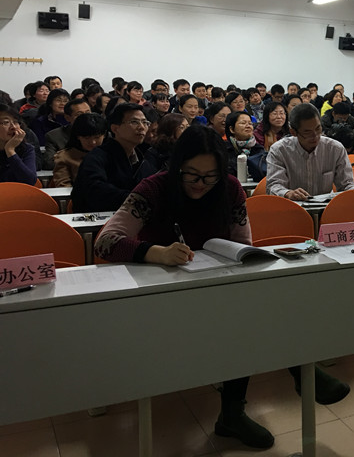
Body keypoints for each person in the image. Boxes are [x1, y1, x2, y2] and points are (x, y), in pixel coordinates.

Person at [93, 126, 275, 449]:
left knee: (248, 319)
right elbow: (105, 242)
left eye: (210, 176)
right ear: (177, 165)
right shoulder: (154, 188)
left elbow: (243, 243)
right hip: (162, 295)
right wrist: (156, 252)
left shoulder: (230, 188)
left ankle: (234, 412)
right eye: (191, 174)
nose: (200, 184)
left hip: (213, 290)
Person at [266, 103, 354, 199]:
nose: (315, 136)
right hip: (291, 206)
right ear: (293, 132)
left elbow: (345, 185)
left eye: (318, 129)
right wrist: (288, 193)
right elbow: (273, 186)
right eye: (307, 132)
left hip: (325, 208)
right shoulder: (279, 150)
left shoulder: (335, 148)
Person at [71, 103, 149, 212]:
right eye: (134, 122)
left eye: (145, 122)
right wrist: (138, 199)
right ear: (115, 128)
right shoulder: (96, 157)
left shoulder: (142, 158)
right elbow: (96, 191)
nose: (142, 127)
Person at [52, 113, 108, 187]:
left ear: (104, 135)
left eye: (97, 137)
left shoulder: (112, 154)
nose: (93, 142)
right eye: (87, 138)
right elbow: (63, 185)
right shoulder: (65, 157)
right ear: (78, 136)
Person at [43, 98, 92, 169]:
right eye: (79, 114)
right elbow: (49, 163)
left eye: (88, 113)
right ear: (67, 118)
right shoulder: (54, 136)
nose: (86, 117)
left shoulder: (102, 133)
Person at [139, 113, 189, 178]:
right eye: (182, 127)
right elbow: (149, 178)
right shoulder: (154, 152)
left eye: (187, 127)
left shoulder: (189, 149)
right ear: (170, 130)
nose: (186, 131)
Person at [0, 104, 37, 184]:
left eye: (16, 122)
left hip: (18, 192)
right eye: (6, 122)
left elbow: (30, 181)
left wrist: (10, 150)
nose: (13, 127)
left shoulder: (27, 149)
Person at [224, 111, 265, 176]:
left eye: (250, 123)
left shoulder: (258, 149)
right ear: (232, 129)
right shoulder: (224, 149)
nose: (248, 126)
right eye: (243, 123)